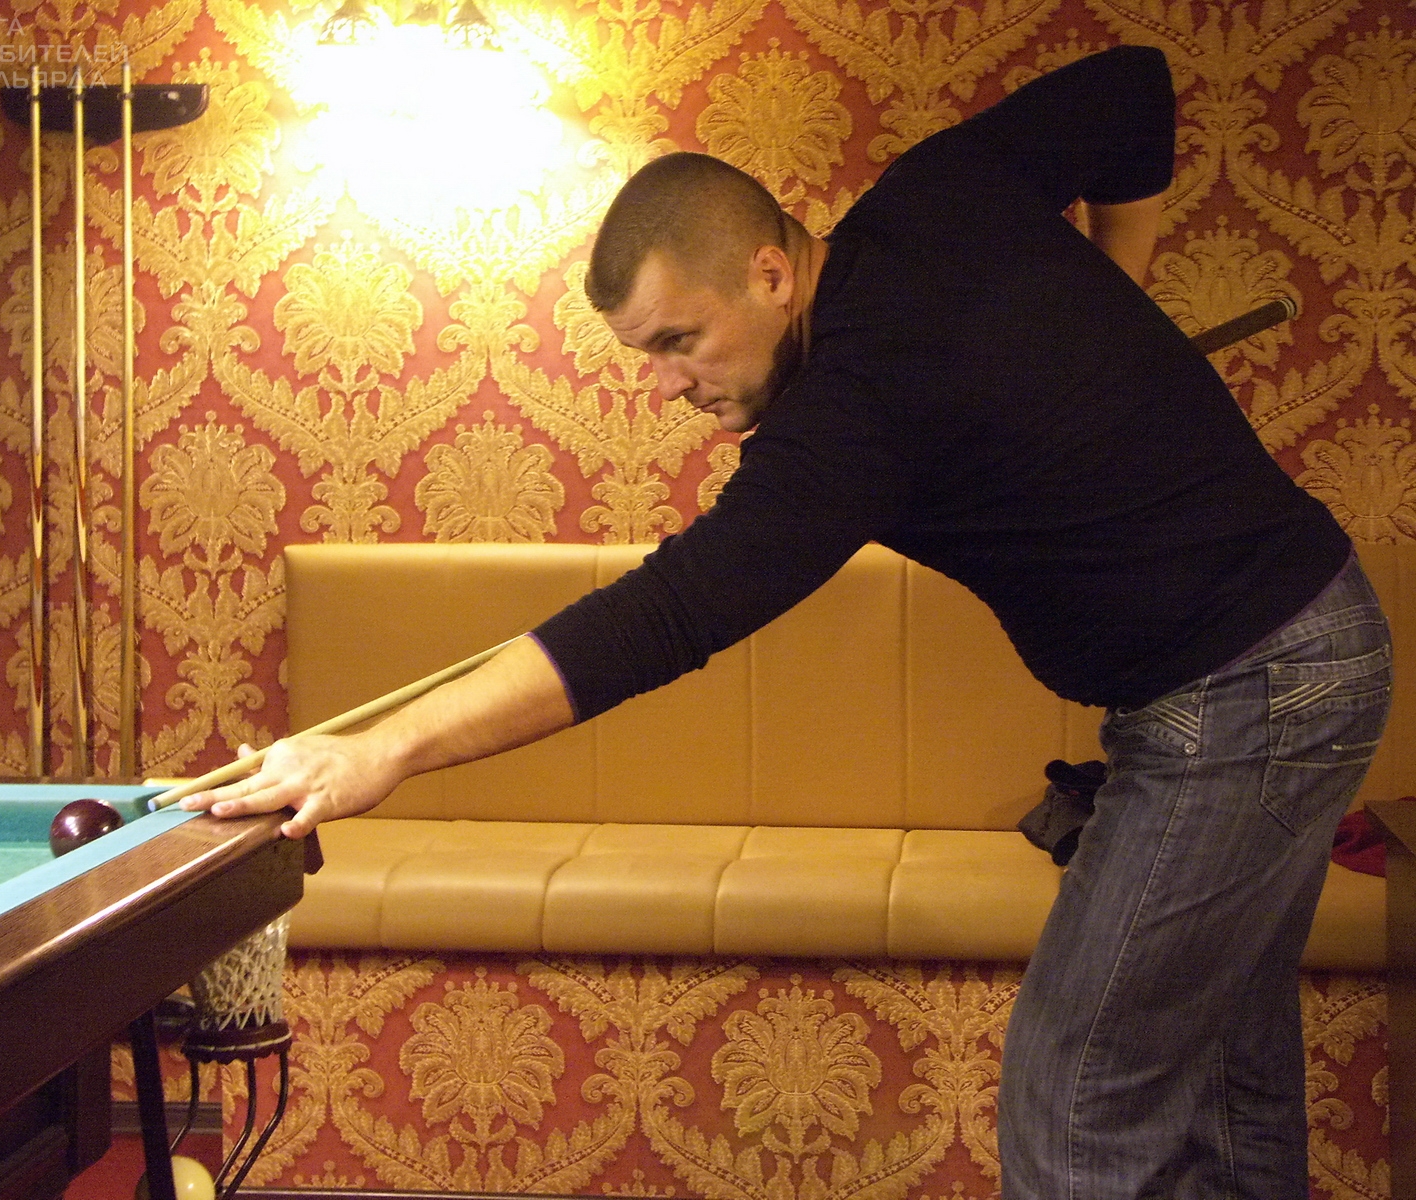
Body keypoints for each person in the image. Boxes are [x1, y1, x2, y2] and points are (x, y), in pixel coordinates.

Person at [180, 45, 1391, 1199]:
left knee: (1077, 1088)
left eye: (681, 342)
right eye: (646, 356)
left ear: (770, 273)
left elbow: (662, 616)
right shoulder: (937, 192)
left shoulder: (854, 416)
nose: (669, 385)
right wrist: (1122, 276)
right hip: (1281, 660)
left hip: (1246, 697)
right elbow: (1131, 93)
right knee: (1220, 1063)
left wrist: (385, 750)